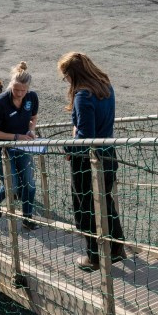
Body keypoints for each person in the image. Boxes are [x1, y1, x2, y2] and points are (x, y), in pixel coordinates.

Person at [58, 52, 127, 272]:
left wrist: (67, 147)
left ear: (73, 74)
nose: (66, 81)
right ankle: (117, 248)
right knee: (105, 202)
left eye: (65, 77)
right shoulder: (106, 87)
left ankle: (94, 257)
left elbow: (85, 137)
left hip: (87, 162)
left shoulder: (83, 95)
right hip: (108, 155)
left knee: (85, 208)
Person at [0, 62, 39, 229]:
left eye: (24, 90)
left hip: (22, 145)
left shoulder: (32, 97)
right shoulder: (0, 103)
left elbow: (34, 118)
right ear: (11, 86)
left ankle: (28, 219)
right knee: (13, 185)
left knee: (29, 183)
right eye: (16, 90)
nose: (20, 94)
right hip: (1, 149)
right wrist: (16, 137)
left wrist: (31, 131)